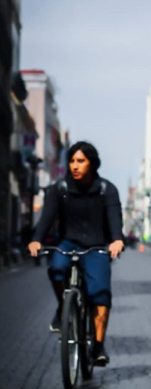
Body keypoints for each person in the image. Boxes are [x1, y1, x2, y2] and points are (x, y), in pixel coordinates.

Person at [28, 141, 124, 366]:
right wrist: (36, 239)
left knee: (100, 293)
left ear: (92, 163)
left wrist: (117, 239)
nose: (75, 165)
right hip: (67, 242)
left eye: (80, 160)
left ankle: (98, 346)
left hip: (96, 246)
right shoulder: (59, 188)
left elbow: (114, 218)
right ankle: (64, 307)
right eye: (71, 161)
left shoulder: (106, 189)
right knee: (56, 269)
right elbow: (47, 217)